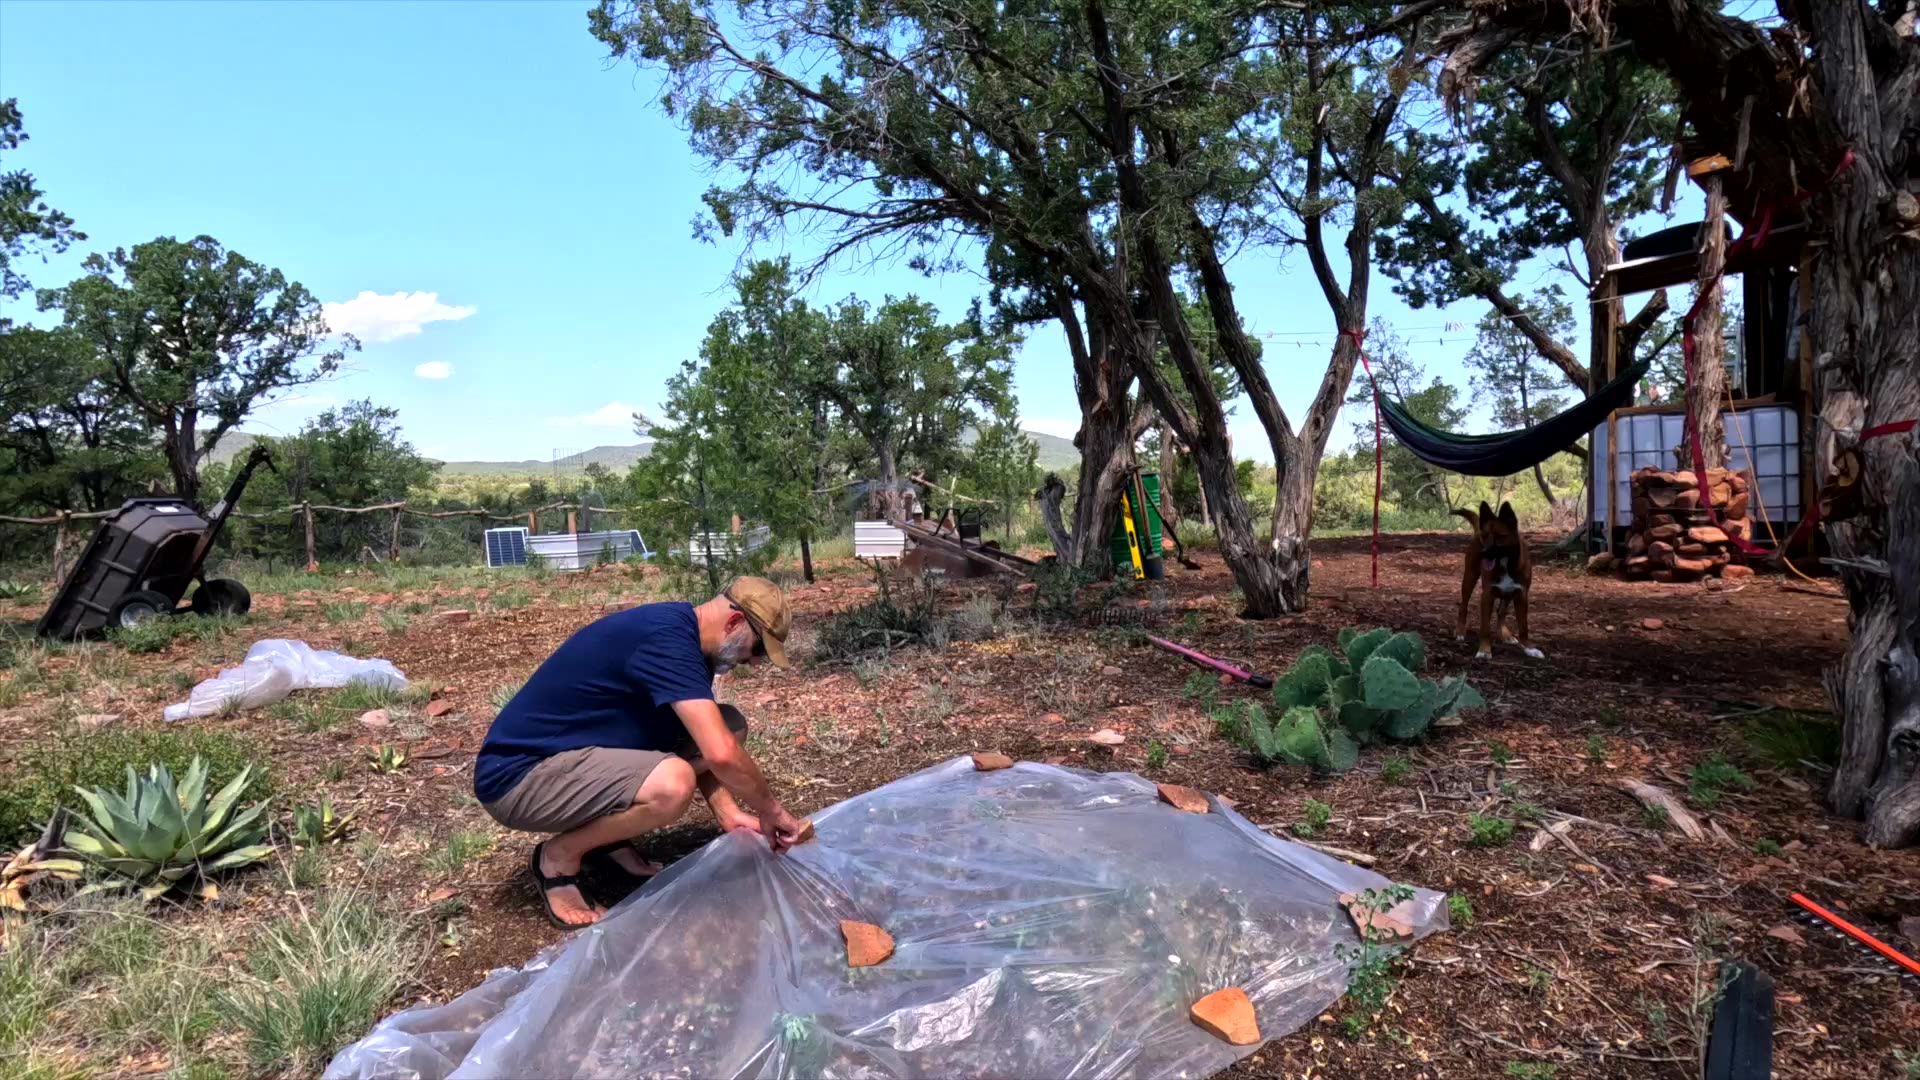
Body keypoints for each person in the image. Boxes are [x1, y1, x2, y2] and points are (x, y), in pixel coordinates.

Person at [474, 576, 810, 927]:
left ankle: (604, 839)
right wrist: (770, 810)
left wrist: (728, 812)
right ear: (734, 622)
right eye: (758, 649)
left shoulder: (686, 635)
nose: (755, 662)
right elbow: (720, 754)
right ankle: (557, 858)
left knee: (729, 723)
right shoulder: (667, 643)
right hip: (520, 777)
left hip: (577, 754)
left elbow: (709, 740)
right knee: (673, 784)